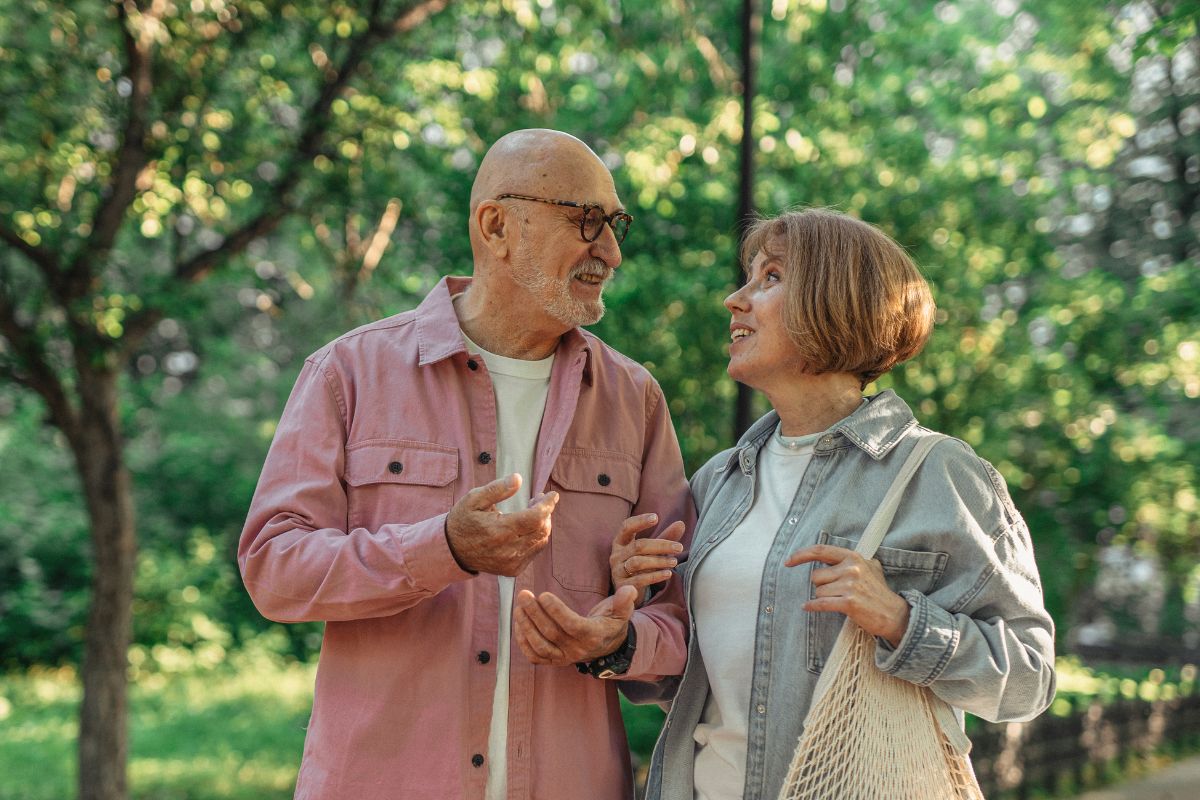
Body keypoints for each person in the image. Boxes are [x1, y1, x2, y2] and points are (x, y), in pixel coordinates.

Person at [238, 129, 694, 800]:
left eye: (615, 224)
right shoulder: (348, 374)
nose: (612, 251)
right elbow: (273, 569)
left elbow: (683, 622)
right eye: (587, 220)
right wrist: (442, 548)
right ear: (497, 225)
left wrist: (618, 643)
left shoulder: (636, 400)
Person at [603, 208, 1056, 800]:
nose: (734, 300)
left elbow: (1028, 679)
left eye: (770, 278)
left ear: (833, 303)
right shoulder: (719, 482)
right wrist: (627, 622)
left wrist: (899, 620)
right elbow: (696, 681)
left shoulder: (941, 474)